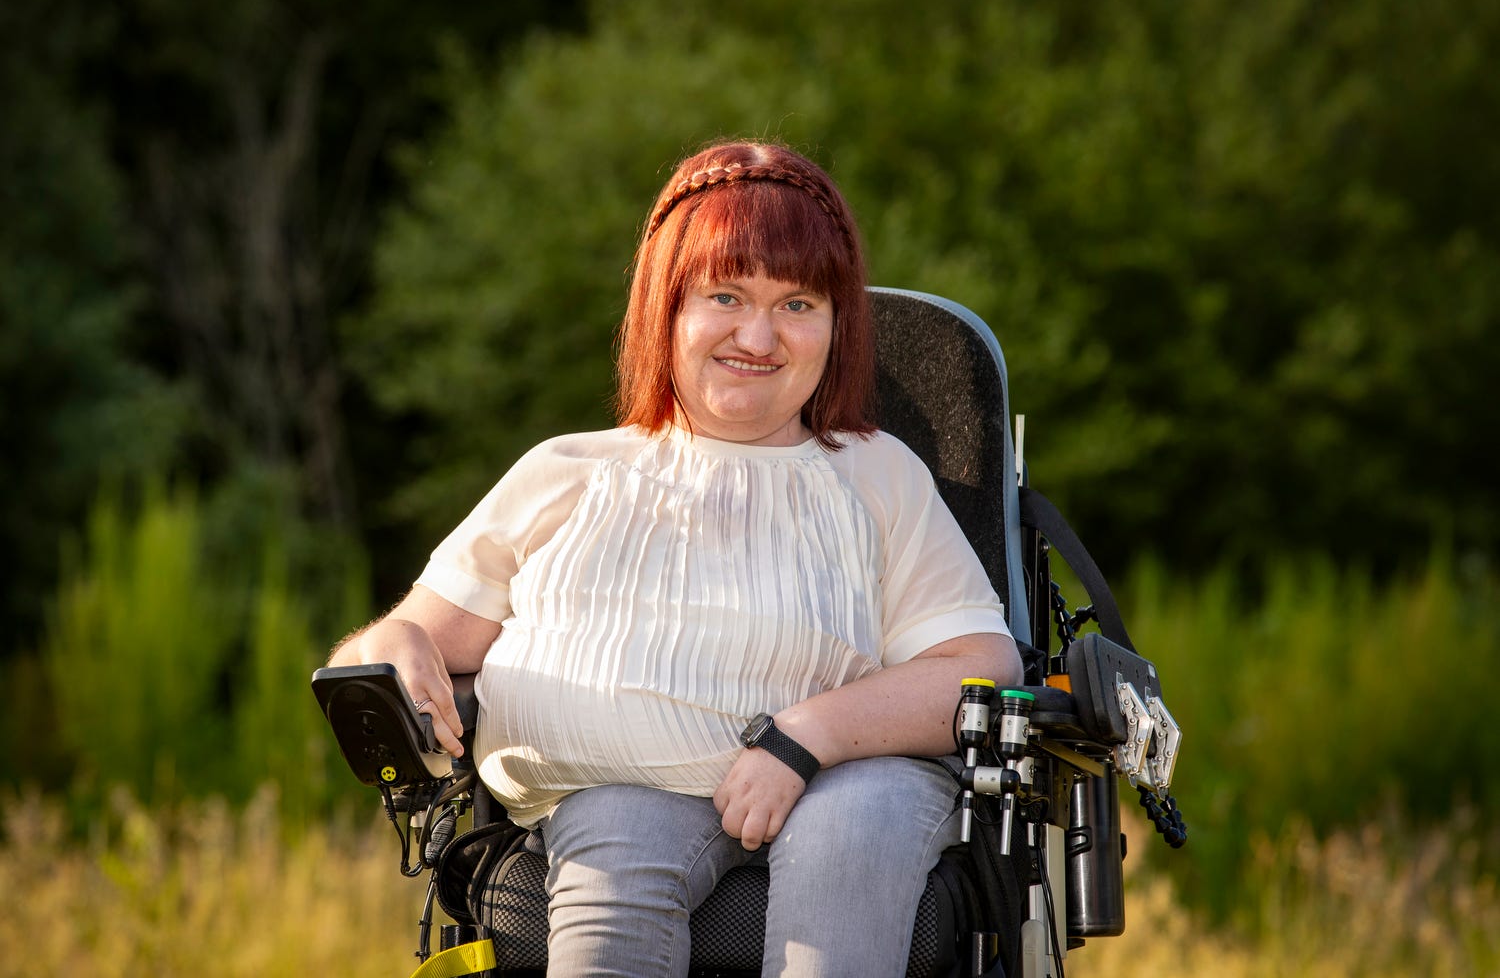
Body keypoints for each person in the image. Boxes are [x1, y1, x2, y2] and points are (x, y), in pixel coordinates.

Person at [328, 139, 1022, 977]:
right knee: (617, 848)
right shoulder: (567, 473)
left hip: (848, 779)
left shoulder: (872, 475)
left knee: (852, 832)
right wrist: (396, 644)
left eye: (798, 304)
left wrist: (803, 738)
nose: (758, 335)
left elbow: (978, 664)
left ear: (837, 328)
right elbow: (397, 645)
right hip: (615, 797)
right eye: (724, 295)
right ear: (667, 309)